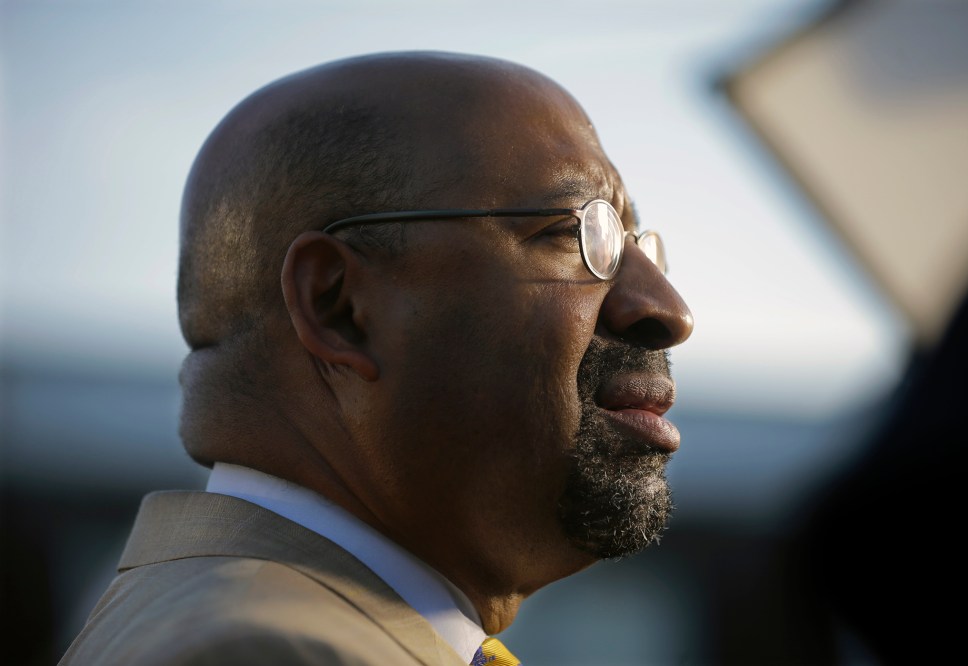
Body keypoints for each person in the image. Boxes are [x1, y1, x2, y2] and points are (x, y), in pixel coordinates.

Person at [60, 51, 693, 665]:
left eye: (637, 245)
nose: (668, 309)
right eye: (574, 232)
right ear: (339, 307)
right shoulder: (272, 652)